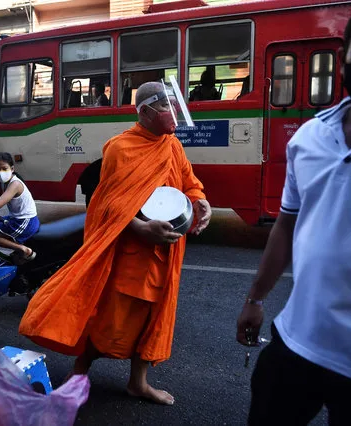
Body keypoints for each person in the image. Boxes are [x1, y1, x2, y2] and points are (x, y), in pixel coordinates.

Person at [236, 1, 351, 424]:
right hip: (295, 345)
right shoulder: (310, 137)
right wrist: (255, 299)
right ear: (344, 57)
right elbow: (287, 225)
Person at [19, 81, 212, 406]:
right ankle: (79, 372)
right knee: (114, 320)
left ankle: (138, 382)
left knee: (153, 318)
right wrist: (140, 228)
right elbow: (106, 204)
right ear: (146, 112)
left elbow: (188, 181)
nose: (173, 114)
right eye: (165, 107)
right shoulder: (120, 149)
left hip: (166, 252)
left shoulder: (172, 145)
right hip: (133, 251)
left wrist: (200, 201)